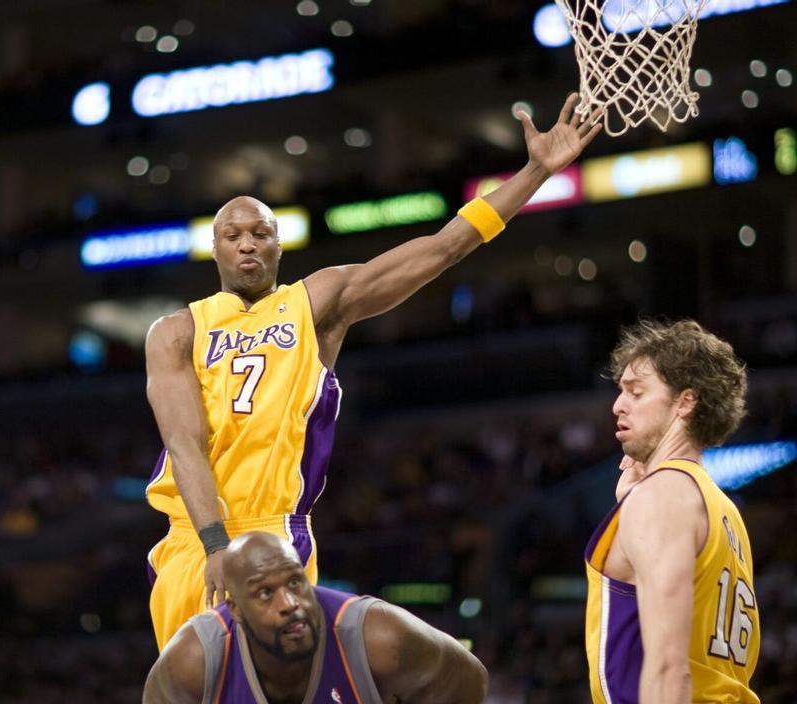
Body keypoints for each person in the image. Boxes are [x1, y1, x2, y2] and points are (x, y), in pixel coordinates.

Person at [143, 93, 604, 650]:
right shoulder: (176, 332)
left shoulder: (317, 301)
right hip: (194, 539)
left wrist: (533, 173)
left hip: (276, 530)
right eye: (232, 235)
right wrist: (217, 547)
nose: (246, 244)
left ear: (278, 245)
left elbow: (442, 249)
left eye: (260, 233)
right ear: (213, 249)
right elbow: (184, 444)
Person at [585, 319, 773, 704]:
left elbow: (669, 668)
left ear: (684, 402)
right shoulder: (716, 503)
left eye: (636, 391)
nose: (617, 405)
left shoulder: (660, 497)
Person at [142, 531, 487, 704]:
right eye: (265, 593)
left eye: (295, 581)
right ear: (236, 609)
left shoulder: (377, 637)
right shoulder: (197, 656)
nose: (290, 603)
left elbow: (470, 685)